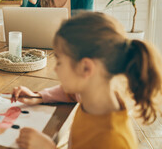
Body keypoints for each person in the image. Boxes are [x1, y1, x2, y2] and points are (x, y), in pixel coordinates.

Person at [11, 12, 162, 149]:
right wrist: (39, 97)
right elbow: (70, 94)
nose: (54, 69)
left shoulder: (114, 140)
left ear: (86, 68)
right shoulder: (91, 97)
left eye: (59, 62)